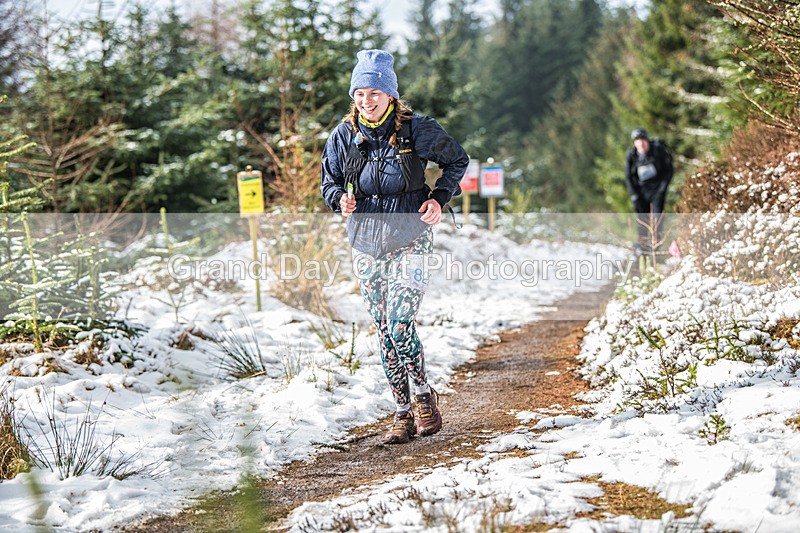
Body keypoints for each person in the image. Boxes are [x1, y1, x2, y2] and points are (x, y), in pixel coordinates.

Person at [320, 49, 469, 444]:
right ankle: (401, 413)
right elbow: (327, 182)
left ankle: (423, 396)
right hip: (365, 245)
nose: (366, 101)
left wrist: (438, 198)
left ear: (390, 95)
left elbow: (457, 160)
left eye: (374, 92)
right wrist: (339, 199)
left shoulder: (416, 130)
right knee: (385, 330)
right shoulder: (343, 136)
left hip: (411, 238)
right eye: (359, 93)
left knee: (401, 322)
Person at [624, 127, 673, 254]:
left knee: (658, 218)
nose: (641, 143)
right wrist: (634, 195)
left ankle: (656, 246)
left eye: (643, 140)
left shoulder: (657, 150)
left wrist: (662, 189)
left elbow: (669, 170)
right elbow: (628, 177)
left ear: (647, 140)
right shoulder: (631, 155)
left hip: (657, 189)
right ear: (634, 143)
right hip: (641, 191)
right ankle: (643, 247)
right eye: (638, 141)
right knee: (642, 219)